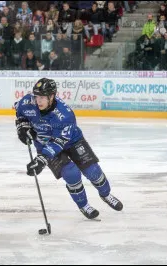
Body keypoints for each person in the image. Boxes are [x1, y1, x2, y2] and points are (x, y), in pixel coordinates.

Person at [14, 78, 123, 219]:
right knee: (71, 174)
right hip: (44, 143)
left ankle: (106, 194)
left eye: (42, 97)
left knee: (93, 171)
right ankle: (84, 206)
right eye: (36, 96)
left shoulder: (65, 115)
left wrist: (42, 159)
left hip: (71, 141)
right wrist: (22, 126)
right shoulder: (27, 102)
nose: (38, 100)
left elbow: (58, 143)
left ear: (51, 96)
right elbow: (18, 110)